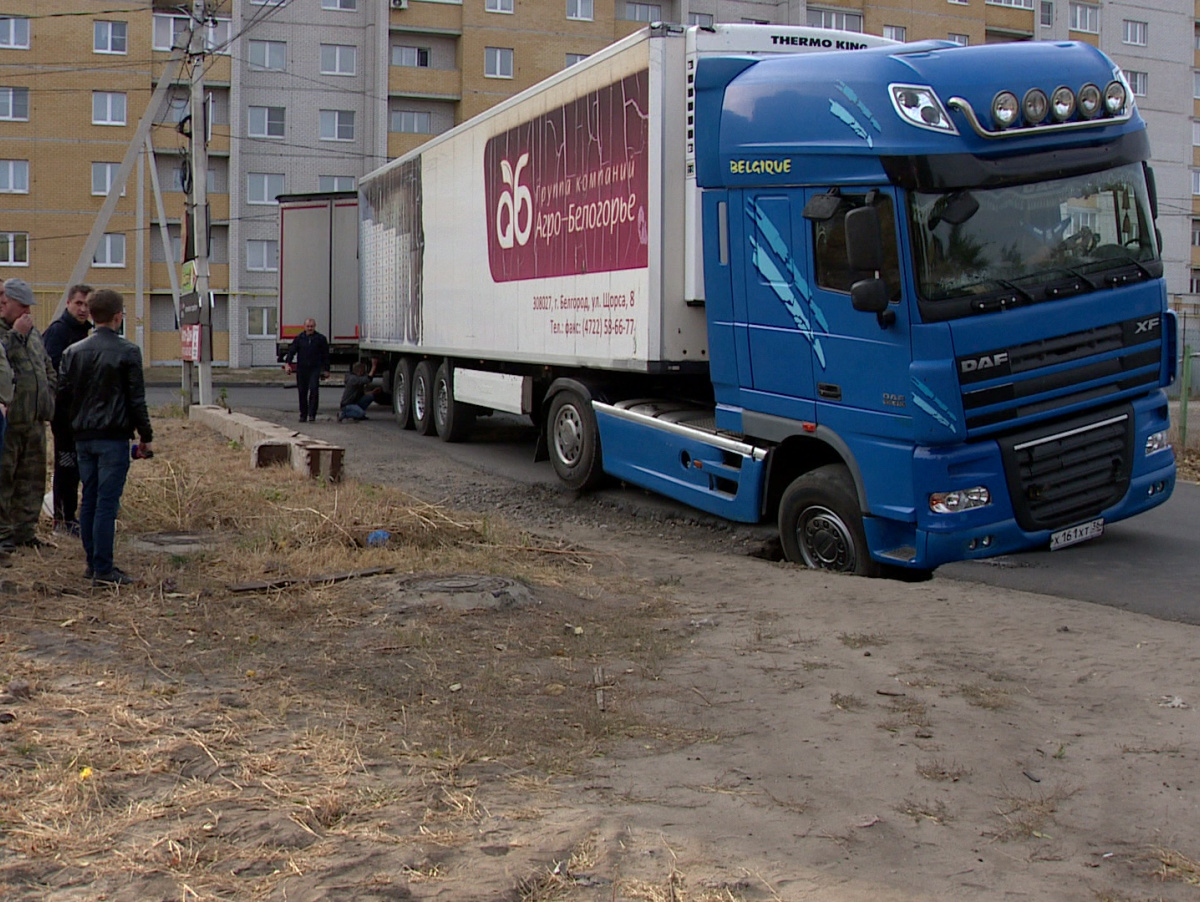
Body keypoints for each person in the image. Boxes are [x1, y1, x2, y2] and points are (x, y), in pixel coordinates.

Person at [57, 289, 153, 587]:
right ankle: (103, 568)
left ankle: (92, 563)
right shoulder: (128, 352)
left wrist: (67, 433)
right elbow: (136, 399)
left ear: (93, 314)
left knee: (90, 499)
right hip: (113, 436)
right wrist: (146, 436)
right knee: (106, 503)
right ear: (118, 317)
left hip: (82, 436)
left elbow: (63, 397)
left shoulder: (72, 353)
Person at [0, 278, 56, 553]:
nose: (26, 312)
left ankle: (26, 531)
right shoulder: (7, 333)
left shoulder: (33, 332)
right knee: (4, 478)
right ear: (5, 303)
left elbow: (47, 368)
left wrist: (49, 397)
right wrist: (16, 335)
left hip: (35, 419)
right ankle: (3, 535)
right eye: (21, 306)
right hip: (9, 422)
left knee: (33, 479)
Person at [42, 283, 93, 536]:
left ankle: (71, 515)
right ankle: (62, 519)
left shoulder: (85, 333)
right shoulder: (59, 332)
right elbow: (51, 371)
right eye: (79, 304)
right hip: (64, 415)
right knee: (66, 466)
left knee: (77, 467)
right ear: (68, 304)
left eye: (87, 305)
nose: (83, 309)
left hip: (83, 415)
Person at [283, 318, 330, 423]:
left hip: (314, 368)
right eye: (308, 326)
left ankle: (312, 414)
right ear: (304, 327)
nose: (310, 328)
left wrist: (326, 369)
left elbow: (326, 355)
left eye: (312, 326)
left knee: (314, 390)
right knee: (302, 392)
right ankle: (303, 414)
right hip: (302, 369)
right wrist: (287, 364)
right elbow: (291, 351)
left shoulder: (320, 339)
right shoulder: (299, 338)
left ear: (315, 326)